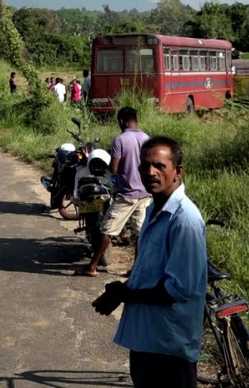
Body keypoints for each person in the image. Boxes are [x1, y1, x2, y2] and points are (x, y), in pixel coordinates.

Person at [92, 136, 207, 388]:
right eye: (144, 166)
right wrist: (122, 289)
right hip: (147, 340)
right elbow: (150, 271)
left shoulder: (184, 220)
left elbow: (176, 290)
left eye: (159, 166)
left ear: (177, 172)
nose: (150, 172)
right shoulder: (154, 211)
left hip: (169, 346)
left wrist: (125, 294)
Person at [77, 107, 150, 277]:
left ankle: (92, 266)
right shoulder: (146, 138)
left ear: (122, 121)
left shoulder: (120, 140)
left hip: (127, 194)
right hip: (144, 194)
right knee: (140, 234)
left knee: (108, 229)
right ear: (136, 120)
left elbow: (114, 168)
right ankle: (136, 270)